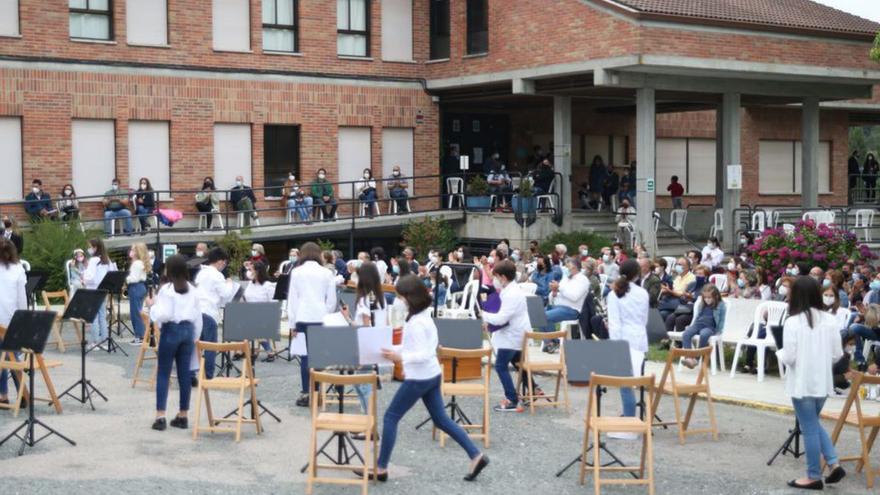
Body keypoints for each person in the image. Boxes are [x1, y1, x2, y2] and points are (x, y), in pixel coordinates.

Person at [366, 275, 489, 482]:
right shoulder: (423, 317)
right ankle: (476, 455)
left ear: (409, 298)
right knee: (441, 419)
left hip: (419, 377)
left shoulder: (416, 323)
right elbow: (419, 348)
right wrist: (393, 350)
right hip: (432, 374)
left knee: (390, 417)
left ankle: (381, 467)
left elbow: (421, 353)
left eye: (401, 297)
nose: (399, 301)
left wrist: (399, 356)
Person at [775, 277, 846, 490]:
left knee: (809, 427)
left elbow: (790, 357)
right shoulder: (830, 320)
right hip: (822, 381)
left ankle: (814, 475)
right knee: (812, 423)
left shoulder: (793, 322)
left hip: (801, 382)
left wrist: (778, 350)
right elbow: (837, 354)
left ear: (795, 296)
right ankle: (833, 463)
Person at [146, 254, 202, 431]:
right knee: (184, 374)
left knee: (164, 372)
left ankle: (160, 415)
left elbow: (163, 314)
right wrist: (195, 337)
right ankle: (183, 414)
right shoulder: (192, 289)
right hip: (188, 331)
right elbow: (198, 316)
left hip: (171, 330)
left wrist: (151, 306)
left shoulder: (167, 289)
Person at [288, 242, 337, 407]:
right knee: (318, 355)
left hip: (302, 316)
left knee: (305, 356)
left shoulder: (296, 272)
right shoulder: (326, 273)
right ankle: (317, 391)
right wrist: (328, 315)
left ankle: (306, 392)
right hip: (321, 315)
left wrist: (292, 323)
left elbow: (292, 299)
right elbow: (331, 300)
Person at [606, 260, 649, 437]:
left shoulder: (614, 294)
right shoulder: (642, 293)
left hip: (623, 338)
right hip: (639, 338)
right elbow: (644, 319)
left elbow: (615, 323)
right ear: (637, 275)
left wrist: (614, 344)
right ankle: (629, 417)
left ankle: (629, 423)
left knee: (625, 384)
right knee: (631, 382)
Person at [482, 260, 530, 412]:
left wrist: (483, 315)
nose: (494, 279)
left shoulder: (510, 293)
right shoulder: (511, 289)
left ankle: (512, 399)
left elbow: (501, 318)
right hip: (516, 332)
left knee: (501, 365)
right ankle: (533, 389)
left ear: (502, 277)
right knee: (517, 362)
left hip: (512, 335)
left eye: (495, 276)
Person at [194, 247, 238, 387]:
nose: (224, 266)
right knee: (210, 346)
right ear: (220, 262)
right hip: (209, 313)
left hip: (197, 311)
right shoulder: (216, 275)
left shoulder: (202, 272)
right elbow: (225, 294)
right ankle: (208, 375)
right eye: (224, 263)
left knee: (197, 344)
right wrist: (230, 284)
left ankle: (193, 373)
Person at [541, 258, 590, 353]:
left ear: (575, 267)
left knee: (544, 316)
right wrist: (554, 292)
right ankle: (551, 342)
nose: (566, 268)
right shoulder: (566, 278)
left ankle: (553, 342)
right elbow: (553, 297)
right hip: (559, 306)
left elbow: (574, 297)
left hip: (572, 309)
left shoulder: (583, 280)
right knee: (537, 315)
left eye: (568, 266)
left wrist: (559, 288)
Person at [0, 238, 26, 405]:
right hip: (13, 319)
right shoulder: (18, 268)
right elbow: (22, 298)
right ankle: (22, 394)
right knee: (14, 358)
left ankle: (3, 395)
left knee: (1, 359)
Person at [681, 284, 726, 368]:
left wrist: (718, 331)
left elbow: (722, 319)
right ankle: (689, 358)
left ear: (715, 296)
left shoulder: (721, 305)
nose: (707, 300)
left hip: (710, 327)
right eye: (705, 298)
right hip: (698, 325)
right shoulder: (702, 304)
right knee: (686, 334)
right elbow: (697, 316)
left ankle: (696, 359)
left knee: (704, 335)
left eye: (709, 298)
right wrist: (692, 326)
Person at [83, 238, 116, 349]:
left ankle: (95, 342)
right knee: (102, 316)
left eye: (90, 247)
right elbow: (111, 273)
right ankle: (104, 340)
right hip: (103, 289)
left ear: (95, 248)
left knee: (94, 317)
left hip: (93, 290)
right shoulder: (106, 260)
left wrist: (84, 277)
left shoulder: (93, 260)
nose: (89, 249)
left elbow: (90, 277)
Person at [242, 260, 278, 361]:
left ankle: (269, 351)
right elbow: (246, 298)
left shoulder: (268, 285)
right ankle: (245, 349)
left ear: (258, 271)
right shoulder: (251, 284)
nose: (249, 272)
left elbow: (273, 305)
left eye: (251, 270)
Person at [126, 242, 151, 345]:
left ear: (137, 252)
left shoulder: (136, 264)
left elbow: (133, 278)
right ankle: (141, 335)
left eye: (132, 250)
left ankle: (139, 336)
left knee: (136, 313)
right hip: (140, 287)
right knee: (138, 312)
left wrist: (126, 279)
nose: (130, 252)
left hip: (135, 287)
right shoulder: (140, 262)